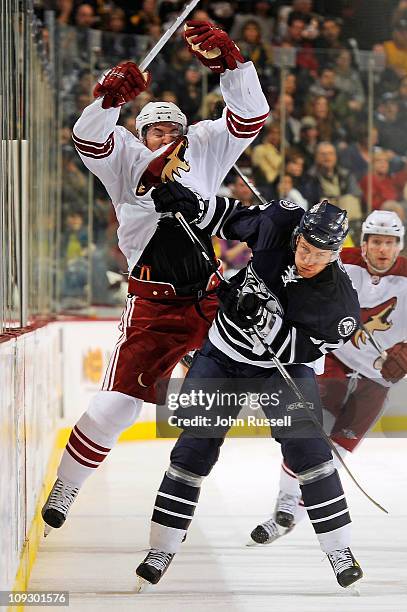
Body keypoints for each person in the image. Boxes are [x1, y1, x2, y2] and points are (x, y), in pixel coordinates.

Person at [41, 20, 269, 532]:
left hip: (209, 297)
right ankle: (66, 486)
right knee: (116, 408)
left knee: (277, 380)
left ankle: (298, 489)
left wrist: (232, 65)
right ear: (141, 134)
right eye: (157, 131)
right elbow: (87, 137)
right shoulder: (124, 159)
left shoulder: (206, 147)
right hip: (154, 306)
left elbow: (251, 115)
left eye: (174, 131)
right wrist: (108, 98)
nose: (168, 137)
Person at [134, 192, 363, 590]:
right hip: (223, 355)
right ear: (298, 237)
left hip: (281, 370)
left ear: (335, 255)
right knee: (193, 450)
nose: (307, 259)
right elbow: (233, 218)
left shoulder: (339, 301)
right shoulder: (279, 224)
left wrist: (259, 314)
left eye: (319, 255)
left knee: (310, 453)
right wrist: (190, 204)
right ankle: (162, 547)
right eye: (304, 249)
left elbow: (304, 351)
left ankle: (339, 550)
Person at [249, 210, 407, 546]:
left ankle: (295, 513)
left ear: (400, 244)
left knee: (339, 452)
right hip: (336, 359)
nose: (383, 249)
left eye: (390, 242)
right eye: (376, 241)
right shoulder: (339, 261)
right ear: (363, 243)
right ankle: (285, 505)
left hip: (377, 379)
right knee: (306, 435)